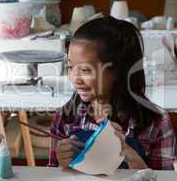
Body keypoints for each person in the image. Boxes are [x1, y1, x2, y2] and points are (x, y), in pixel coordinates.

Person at [48, 16, 176, 170]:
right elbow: (52, 173)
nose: (75, 78)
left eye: (85, 70)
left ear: (117, 71)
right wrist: (62, 165)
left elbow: (163, 178)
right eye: (70, 67)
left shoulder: (156, 122)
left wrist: (129, 154)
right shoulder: (65, 118)